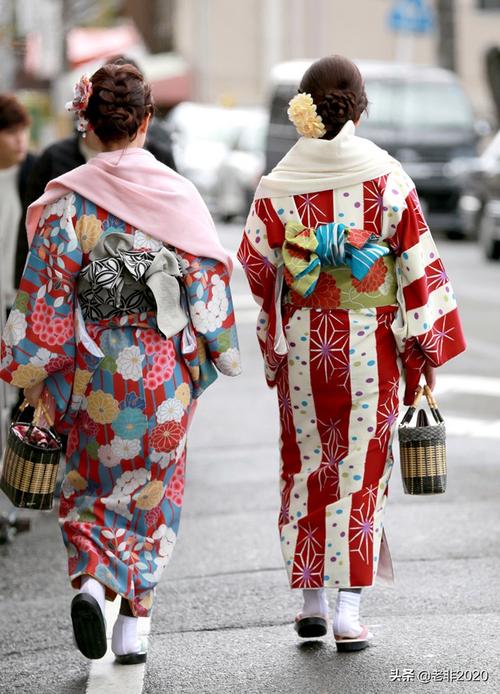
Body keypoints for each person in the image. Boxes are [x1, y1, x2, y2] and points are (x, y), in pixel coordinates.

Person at [0, 63, 241, 663]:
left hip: (91, 375)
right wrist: (217, 353)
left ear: (87, 123)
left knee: (87, 490)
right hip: (161, 378)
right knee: (154, 495)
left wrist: (30, 375)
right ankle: (133, 628)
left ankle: (90, 584)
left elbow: (46, 305)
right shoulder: (176, 196)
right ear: (145, 121)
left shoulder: (65, 205)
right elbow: (208, 289)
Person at [237, 55, 466, 652]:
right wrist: (424, 351)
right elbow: (417, 268)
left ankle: (311, 603)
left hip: (308, 347)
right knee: (361, 474)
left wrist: (287, 307)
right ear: (361, 107)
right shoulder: (389, 180)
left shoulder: (278, 185)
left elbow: (258, 266)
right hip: (372, 345)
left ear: (304, 111)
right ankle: (347, 612)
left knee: (306, 466)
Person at [14, 55, 176, 290]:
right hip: (160, 321)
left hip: (84, 324)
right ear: (145, 120)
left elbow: (47, 287)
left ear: (87, 117)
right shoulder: (180, 192)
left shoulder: (62, 199)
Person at [0, 94, 35, 310]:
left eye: (23, 130)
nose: (20, 139)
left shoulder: (36, 172)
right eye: (11, 132)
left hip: (21, 292)